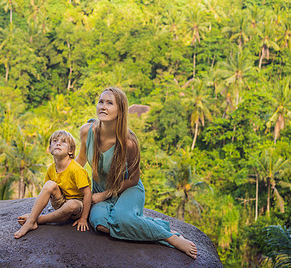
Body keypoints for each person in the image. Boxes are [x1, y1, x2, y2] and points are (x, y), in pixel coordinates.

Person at [75, 87, 198, 259]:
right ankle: (151, 226)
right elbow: (79, 161)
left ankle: (171, 237)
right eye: (101, 101)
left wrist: (105, 195)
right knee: (100, 224)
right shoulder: (87, 131)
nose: (103, 106)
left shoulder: (128, 142)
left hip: (127, 189)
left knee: (122, 219)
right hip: (99, 190)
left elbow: (133, 179)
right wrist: (63, 179)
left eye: (110, 103)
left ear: (121, 110)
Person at [14, 130, 92, 239]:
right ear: (50, 149)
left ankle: (37, 219)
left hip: (76, 207)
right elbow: (47, 192)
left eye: (63, 141)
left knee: (71, 205)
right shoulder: (51, 168)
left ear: (71, 150)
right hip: (60, 203)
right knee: (49, 184)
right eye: (55, 141)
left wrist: (83, 218)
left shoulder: (76, 170)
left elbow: (87, 194)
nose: (58, 143)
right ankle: (31, 220)